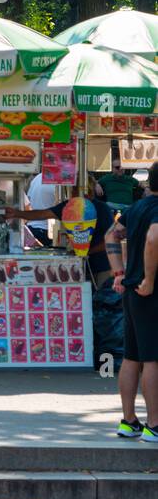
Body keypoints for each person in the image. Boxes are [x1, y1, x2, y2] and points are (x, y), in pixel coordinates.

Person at [104, 167, 158, 443]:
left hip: (131, 291)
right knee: (153, 358)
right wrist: (149, 280)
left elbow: (111, 235)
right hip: (150, 292)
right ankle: (154, 424)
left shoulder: (137, 207)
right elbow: (153, 238)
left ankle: (129, 420)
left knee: (132, 356)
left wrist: (119, 273)